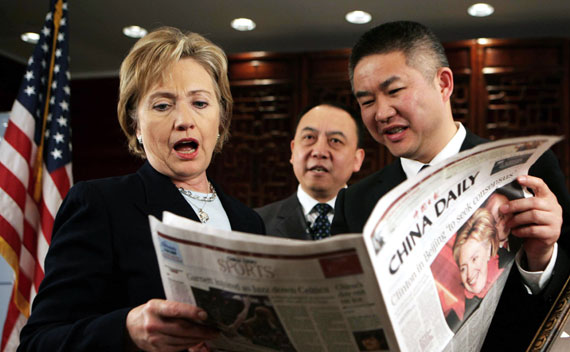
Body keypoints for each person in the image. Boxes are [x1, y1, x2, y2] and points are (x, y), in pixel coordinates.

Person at [18, 27, 265, 352]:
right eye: (163, 106)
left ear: (220, 120)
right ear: (135, 125)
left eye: (200, 103)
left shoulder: (249, 222)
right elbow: (38, 343)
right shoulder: (99, 205)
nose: (184, 120)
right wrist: (127, 330)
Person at [331, 20, 570, 350]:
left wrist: (543, 258)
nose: (382, 112)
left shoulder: (526, 169)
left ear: (443, 83)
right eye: (367, 101)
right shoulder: (355, 202)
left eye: (394, 91)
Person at [256, 103, 365, 239]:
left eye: (335, 141)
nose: (319, 152)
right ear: (293, 150)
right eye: (309, 137)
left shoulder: (376, 225)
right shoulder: (256, 224)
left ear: (357, 159)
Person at [445, 208, 504, 331]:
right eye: (463, 268)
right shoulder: (455, 316)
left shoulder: (507, 270)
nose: (469, 274)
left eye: (474, 259)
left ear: (488, 250)